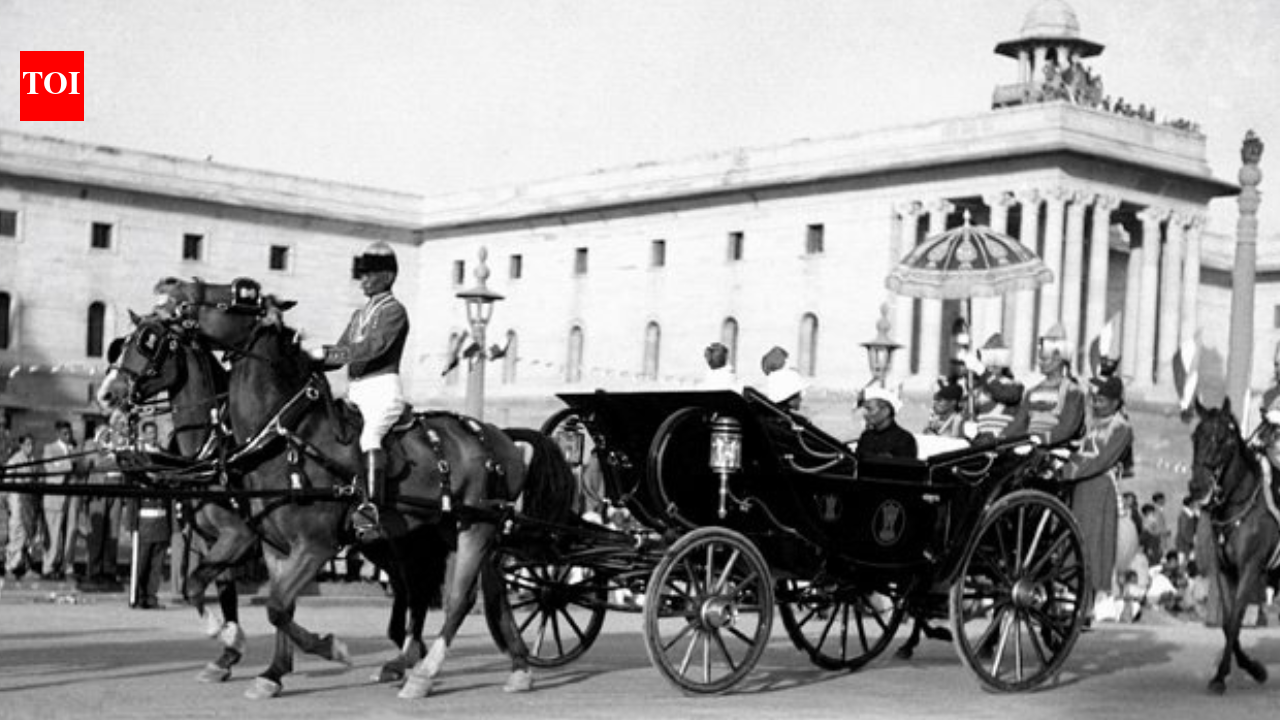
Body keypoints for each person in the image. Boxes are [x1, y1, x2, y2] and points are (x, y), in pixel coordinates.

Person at [307, 241, 409, 540]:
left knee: (370, 437)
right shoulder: (358, 315)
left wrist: (324, 352)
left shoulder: (394, 312)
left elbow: (371, 348)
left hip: (382, 389)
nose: (362, 280)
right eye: (361, 274)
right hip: (356, 391)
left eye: (369, 274)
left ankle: (371, 509)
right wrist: (304, 360)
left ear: (388, 277)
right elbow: (341, 352)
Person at [1062, 374, 1133, 621]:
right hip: (1080, 487)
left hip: (1099, 487)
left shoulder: (1121, 427)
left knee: (1094, 543)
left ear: (1115, 402)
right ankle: (1074, 595)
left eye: (1101, 399)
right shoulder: (1093, 423)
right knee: (1075, 540)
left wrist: (1068, 471)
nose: (1096, 403)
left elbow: (1101, 458)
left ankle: (1092, 599)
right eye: (1094, 398)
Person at [1004, 324, 1085, 446]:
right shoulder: (1032, 392)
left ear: (1058, 360)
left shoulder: (1073, 391)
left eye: (1044, 359)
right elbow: (1019, 423)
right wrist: (1001, 438)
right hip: (1030, 445)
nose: (1040, 363)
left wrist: (1043, 439)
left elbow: (1068, 426)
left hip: (1057, 446)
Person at [128, 421, 171, 609]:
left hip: (161, 515)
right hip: (144, 516)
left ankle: (151, 597)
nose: (152, 436)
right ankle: (137, 596)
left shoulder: (163, 455)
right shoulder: (137, 457)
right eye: (149, 433)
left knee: (157, 562)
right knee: (142, 561)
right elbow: (132, 489)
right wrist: (131, 522)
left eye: (154, 432)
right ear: (143, 435)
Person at [39, 420, 79, 580]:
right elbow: (51, 468)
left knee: (71, 532)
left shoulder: (74, 449)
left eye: (69, 433)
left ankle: (67, 565)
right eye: (64, 434)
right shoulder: (50, 449)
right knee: (53, 533)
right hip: (55, 497)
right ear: (58, 434)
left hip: (71, 496)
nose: (68, 436)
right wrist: (69, 463)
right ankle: (48, 567)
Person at [970, 334, 1023, 442]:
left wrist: (984, 373)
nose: (994, 364)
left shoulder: (1015, 386)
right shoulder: (976, 391)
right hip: (981, 443)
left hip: (1004, 441)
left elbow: (1002, 394)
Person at [854, 385, 917, 461]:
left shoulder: (904, 439)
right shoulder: (866, 436)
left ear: (886, 411)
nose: (865, 413)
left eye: (869, 409)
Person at [4, 435, 36, 578]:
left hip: (29, 503)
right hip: (17, 502)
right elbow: (7, 485)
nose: (31, 447)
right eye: (28, 444)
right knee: (16, 533)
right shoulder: (14, 461)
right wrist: (9, 505)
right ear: (21, 445)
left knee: (28, 535)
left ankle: (26, 566)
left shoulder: (33, 461)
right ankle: (10, 566)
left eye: (32, 444)